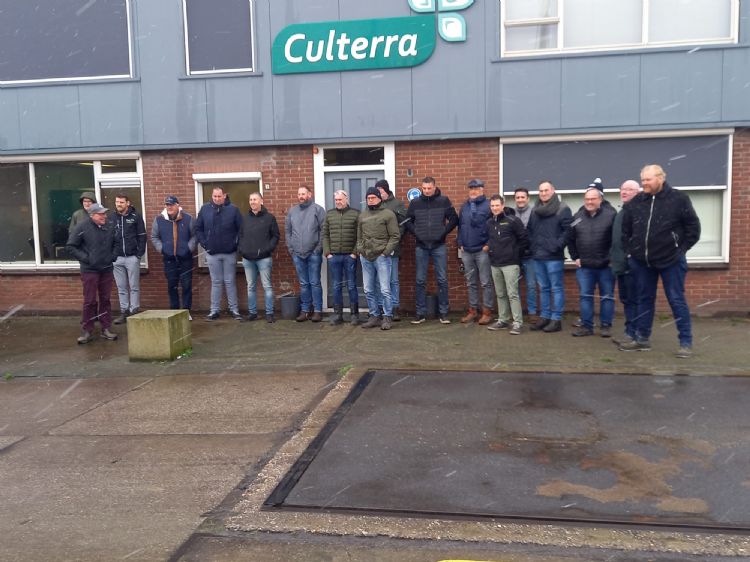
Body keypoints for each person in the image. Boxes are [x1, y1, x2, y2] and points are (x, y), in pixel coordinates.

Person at [620, 164, 701, 358]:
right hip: (642, 262)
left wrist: (680, 250)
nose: (644, 183)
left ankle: (685, 343)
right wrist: (631, 252)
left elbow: (693, 228)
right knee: (644, 299)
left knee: (676, 299)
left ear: (661, 178)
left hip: (671, 261)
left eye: (648, 179)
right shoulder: (636, 202)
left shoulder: (679, 199)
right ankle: (642, 339)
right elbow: (625, 231)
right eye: (642, 180)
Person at [405, 176, 458, 324]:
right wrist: (417, 234)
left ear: (435, 187)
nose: (427, 191)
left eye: (429, 188)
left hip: (439, 245)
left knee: (442, 279)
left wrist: (443, 232)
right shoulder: (415, 203)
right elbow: (407, 221)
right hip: (421, 246)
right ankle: (420, 313)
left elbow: (454, 219)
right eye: (424, 188)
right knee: (420, 280)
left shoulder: (444, 201)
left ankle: (444, 313)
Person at [566, 184, 616, 337]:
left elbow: (617, 240)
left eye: (593, 199)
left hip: (606, 266)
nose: (589, 202)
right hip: (585, 266)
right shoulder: (577, 217)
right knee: (585, 297)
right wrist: (575, 257)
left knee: (607, 297)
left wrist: (612, 258)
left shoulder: (611, 215)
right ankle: (587, 327)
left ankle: (606, 326)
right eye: (587, 199)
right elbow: (570, 238)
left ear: (600, 200)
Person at [66, 203, 118, 344]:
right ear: (92, 215)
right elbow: (71, 246)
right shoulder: (82, 227)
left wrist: (112, 256)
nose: (104, 216)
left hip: (106, 269)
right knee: (89, 301)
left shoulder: (110, 226)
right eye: (101, 214)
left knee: (105, 299)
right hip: (90, 270)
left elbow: (117, 243)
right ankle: (87, 330)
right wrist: (87, 259)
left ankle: (106, 328)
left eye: (104, 213)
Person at [527, 181, 573, 333]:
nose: (543, 193)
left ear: (553, 191)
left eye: (546, 190)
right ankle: (545, 317)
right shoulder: (535, 210)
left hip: (554, 257)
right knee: (543, 288)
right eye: (541, 191)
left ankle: (556, 319)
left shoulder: (562, 208)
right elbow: (529, 231)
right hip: (538, 256)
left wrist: (556, 246)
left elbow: (568, 232)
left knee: (556, 288)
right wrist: (533, 247)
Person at [196, 186, 243, 321]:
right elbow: (198, 228)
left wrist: (235, 244)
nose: (217, 199)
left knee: (230, 281)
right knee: (215, 282)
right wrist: (205, 244)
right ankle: (214, 311)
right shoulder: (205, 209)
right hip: (212, 253)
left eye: (219, 196)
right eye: (214, 196)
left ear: (224, 196)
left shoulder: (233, 210)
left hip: (229, 253)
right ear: (212, 196)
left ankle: (234, 310)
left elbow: (241, 229)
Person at [356, 187, 400, 330]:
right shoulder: (362, 216)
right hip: (366, 257)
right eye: (368, 198)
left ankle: (387, 317)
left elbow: (395, 236)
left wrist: (385, 253)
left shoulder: (388, 214)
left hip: (382, 257)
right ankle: (374, 316)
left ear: (379, 198)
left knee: (385, 289)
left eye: (373, 198)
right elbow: (359, 236)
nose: (370, 200)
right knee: (368, 289)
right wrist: (361, 250)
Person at [485, 194, 529, 335]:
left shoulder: (513, 220)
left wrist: (515, 254)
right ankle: (503, 320)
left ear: (502, 205)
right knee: (500, 294)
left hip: (510, 263)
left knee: (512, 294)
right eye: (492, 206)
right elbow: (490, 240)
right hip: (495, 264)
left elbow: (524, 239)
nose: (495, 208)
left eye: (497, 205)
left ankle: (517, 323)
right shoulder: (489, 222)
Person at [151, 195, 196, 318]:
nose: (169, 207)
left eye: (171, 204)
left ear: (177, 205)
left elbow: (195, 236)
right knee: (172, 286)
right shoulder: (159, 220)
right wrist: (162, 249)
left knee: (186, 286)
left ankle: (186, 312)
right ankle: (174, 312)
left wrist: (188, 248)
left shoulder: (188, 218)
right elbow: (154, 237)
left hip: (185, 259)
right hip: (169, 260)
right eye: (167, 205)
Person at [286, 185, 326, 322]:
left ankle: (318, 310)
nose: (300, 196)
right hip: (297, 254)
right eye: (299, 194)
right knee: (304, 284)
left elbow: (324, 230)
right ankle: (305, 310)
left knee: (315, 283)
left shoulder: (318, 210)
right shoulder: (292, 211)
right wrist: (291, 249)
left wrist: (318, 248)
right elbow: (288, 231)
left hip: (314, 253)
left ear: (309, 194)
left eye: (303, 194)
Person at [238, 192, 280, 323]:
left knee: (267, 286)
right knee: (250, 286)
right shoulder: (244, 219)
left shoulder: (269, 218)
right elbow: (240, 236)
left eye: (255, 199)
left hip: (264, 258)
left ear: (261, 201)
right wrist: (242, 250)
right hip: (247, 259)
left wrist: (268, 249)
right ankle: (252, 313)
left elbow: (275, 236)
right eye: (251, 199)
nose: (252, 202)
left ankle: (269, 313)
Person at [457, 179, 494, 325]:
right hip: (467, 251)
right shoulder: (465, 206)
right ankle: (473, 311)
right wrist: (460, 243)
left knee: (485, 283)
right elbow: (461, 226)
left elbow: (494, 227)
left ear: (482, 189)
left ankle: (487, 312)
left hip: (482, 250)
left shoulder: (488, 205)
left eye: (476, 188)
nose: (473, 191)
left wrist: (488, 244)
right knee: (470, 282)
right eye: (471, 188)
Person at [610, 180, 641, 345]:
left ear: (637, 192)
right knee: (627, 300)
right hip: (621, 266)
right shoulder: (622, 212)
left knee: (633, 300)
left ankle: (635, 334)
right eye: (622, 189)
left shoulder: (638, 211)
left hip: (632, 266)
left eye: (629, 190)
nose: (624, 192)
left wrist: (630, 257)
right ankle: (629, 332)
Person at [322, 190, 360, 325]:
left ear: (346, 199)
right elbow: (325, 235)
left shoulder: (355, 214)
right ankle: (338, 314)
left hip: (350, 256)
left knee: (351, 285)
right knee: (336, 286)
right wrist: (328, 253)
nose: (338, 202)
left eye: (340, 199)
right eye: (336, 200)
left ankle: (354, 315)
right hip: (334, 257)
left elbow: (360, 235)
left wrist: (355, 252)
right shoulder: (329, 214)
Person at [110, 194, 146, 324]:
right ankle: (124, 312)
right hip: (117, 258)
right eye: (117, 202)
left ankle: (134, 311)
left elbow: (142, 236)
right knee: (121, 287)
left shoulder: (136, 216)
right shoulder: (112, 217)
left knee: (134, 286)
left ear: (128, 203)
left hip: (132, 257)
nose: (118, 204)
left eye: (121, 202)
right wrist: (112, 255)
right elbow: (108, 237)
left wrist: (139, 254)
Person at [375, 179, 407, 321]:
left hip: (393, 248)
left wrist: (394, 240)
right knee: (379, 281)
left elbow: (403, 224)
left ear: (386, 190)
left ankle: (394, 307)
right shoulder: (375, 205)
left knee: (393, 280)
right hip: (377, 250)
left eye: (380, 190)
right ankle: (381, 307)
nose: (378, 194)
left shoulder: (397, 204)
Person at [514, 187, 538, 323]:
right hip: (515, 256)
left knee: (531, 285)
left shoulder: (535, 213)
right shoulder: (511, 214)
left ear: (528, 199)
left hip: (531, 255)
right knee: (514, 286)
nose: (520, 200)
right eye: (518, 197)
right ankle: (516, 312)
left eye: (522, 197)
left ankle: (532, 312)